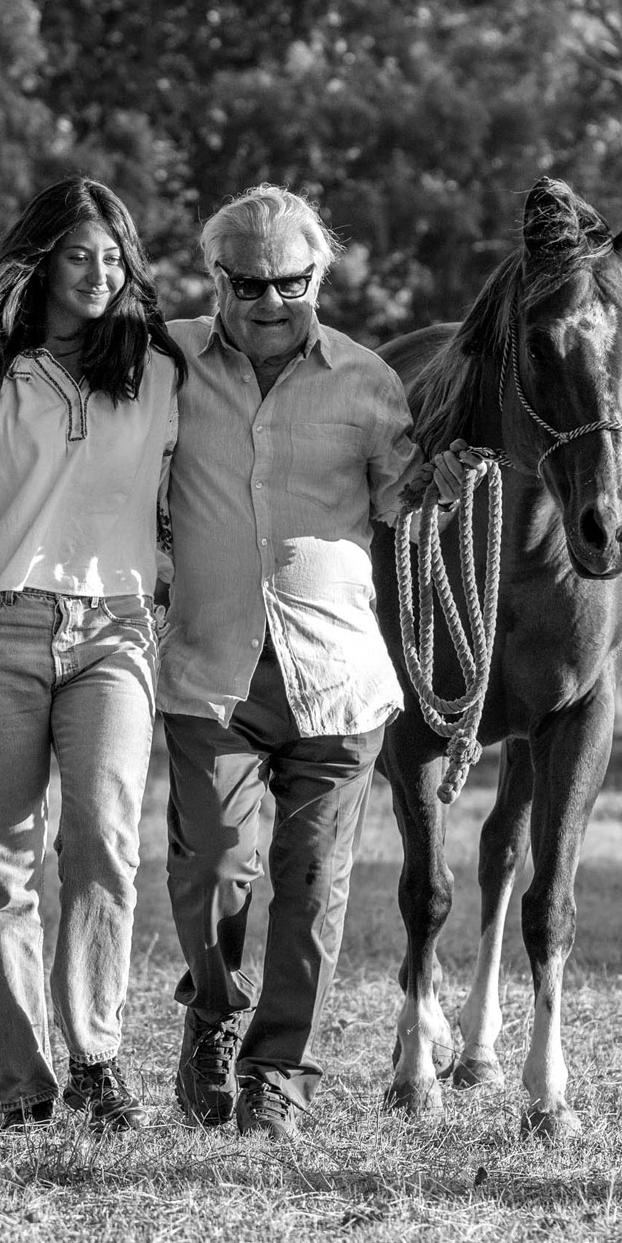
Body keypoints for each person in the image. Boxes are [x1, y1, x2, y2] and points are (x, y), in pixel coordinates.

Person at [159, 184, 424, 1141]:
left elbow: (401, 498)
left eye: (291, 282)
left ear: (319, 276)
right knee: (214, 871)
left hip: (336, 679)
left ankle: (279, 1075)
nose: (271, 301)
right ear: (214, 279)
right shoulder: (166, 363)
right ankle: (212, 1017)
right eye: (248, 283)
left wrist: (446, 477)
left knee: (312, 887)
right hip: (211, 672)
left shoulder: (367, 380)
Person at [0, 178, 184, 1132]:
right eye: (79, 255)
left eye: (114, 258)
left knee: (103, 845)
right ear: (41, 262)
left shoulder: (162, 371)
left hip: (116, 632)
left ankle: (96, 1058)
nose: (98, 274)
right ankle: (22, 1088)